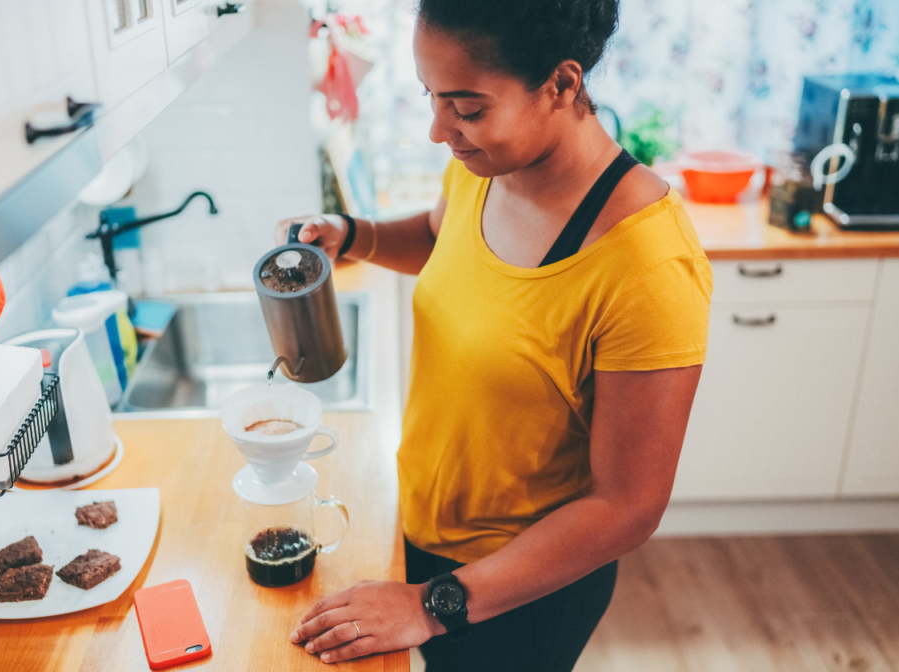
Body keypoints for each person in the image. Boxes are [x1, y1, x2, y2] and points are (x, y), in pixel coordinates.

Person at [280, 0, 712, 669]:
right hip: (424, 529)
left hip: (520, 592)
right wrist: (355, 235)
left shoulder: (648, 265)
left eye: (467, 106)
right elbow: (439, 239)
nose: (438, 129)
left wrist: (430, 605)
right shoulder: (486, 164)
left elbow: (627, 507)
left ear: (562, 85)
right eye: (432, 97)